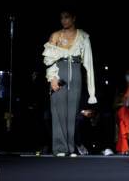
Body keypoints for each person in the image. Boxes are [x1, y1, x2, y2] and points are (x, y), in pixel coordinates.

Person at [42, 9, 97, 157]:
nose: (64, 21)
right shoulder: (56, 35)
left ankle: (71, 147)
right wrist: (52, 77)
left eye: (66, 17)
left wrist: (92, 93)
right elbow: (48, 59)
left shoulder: (83, 36)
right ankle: (60, 148)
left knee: (73, 112)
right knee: (58, 110)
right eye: (62, 18)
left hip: (76, 71)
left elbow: (89, 64)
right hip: (59, 71)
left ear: (73, 18)